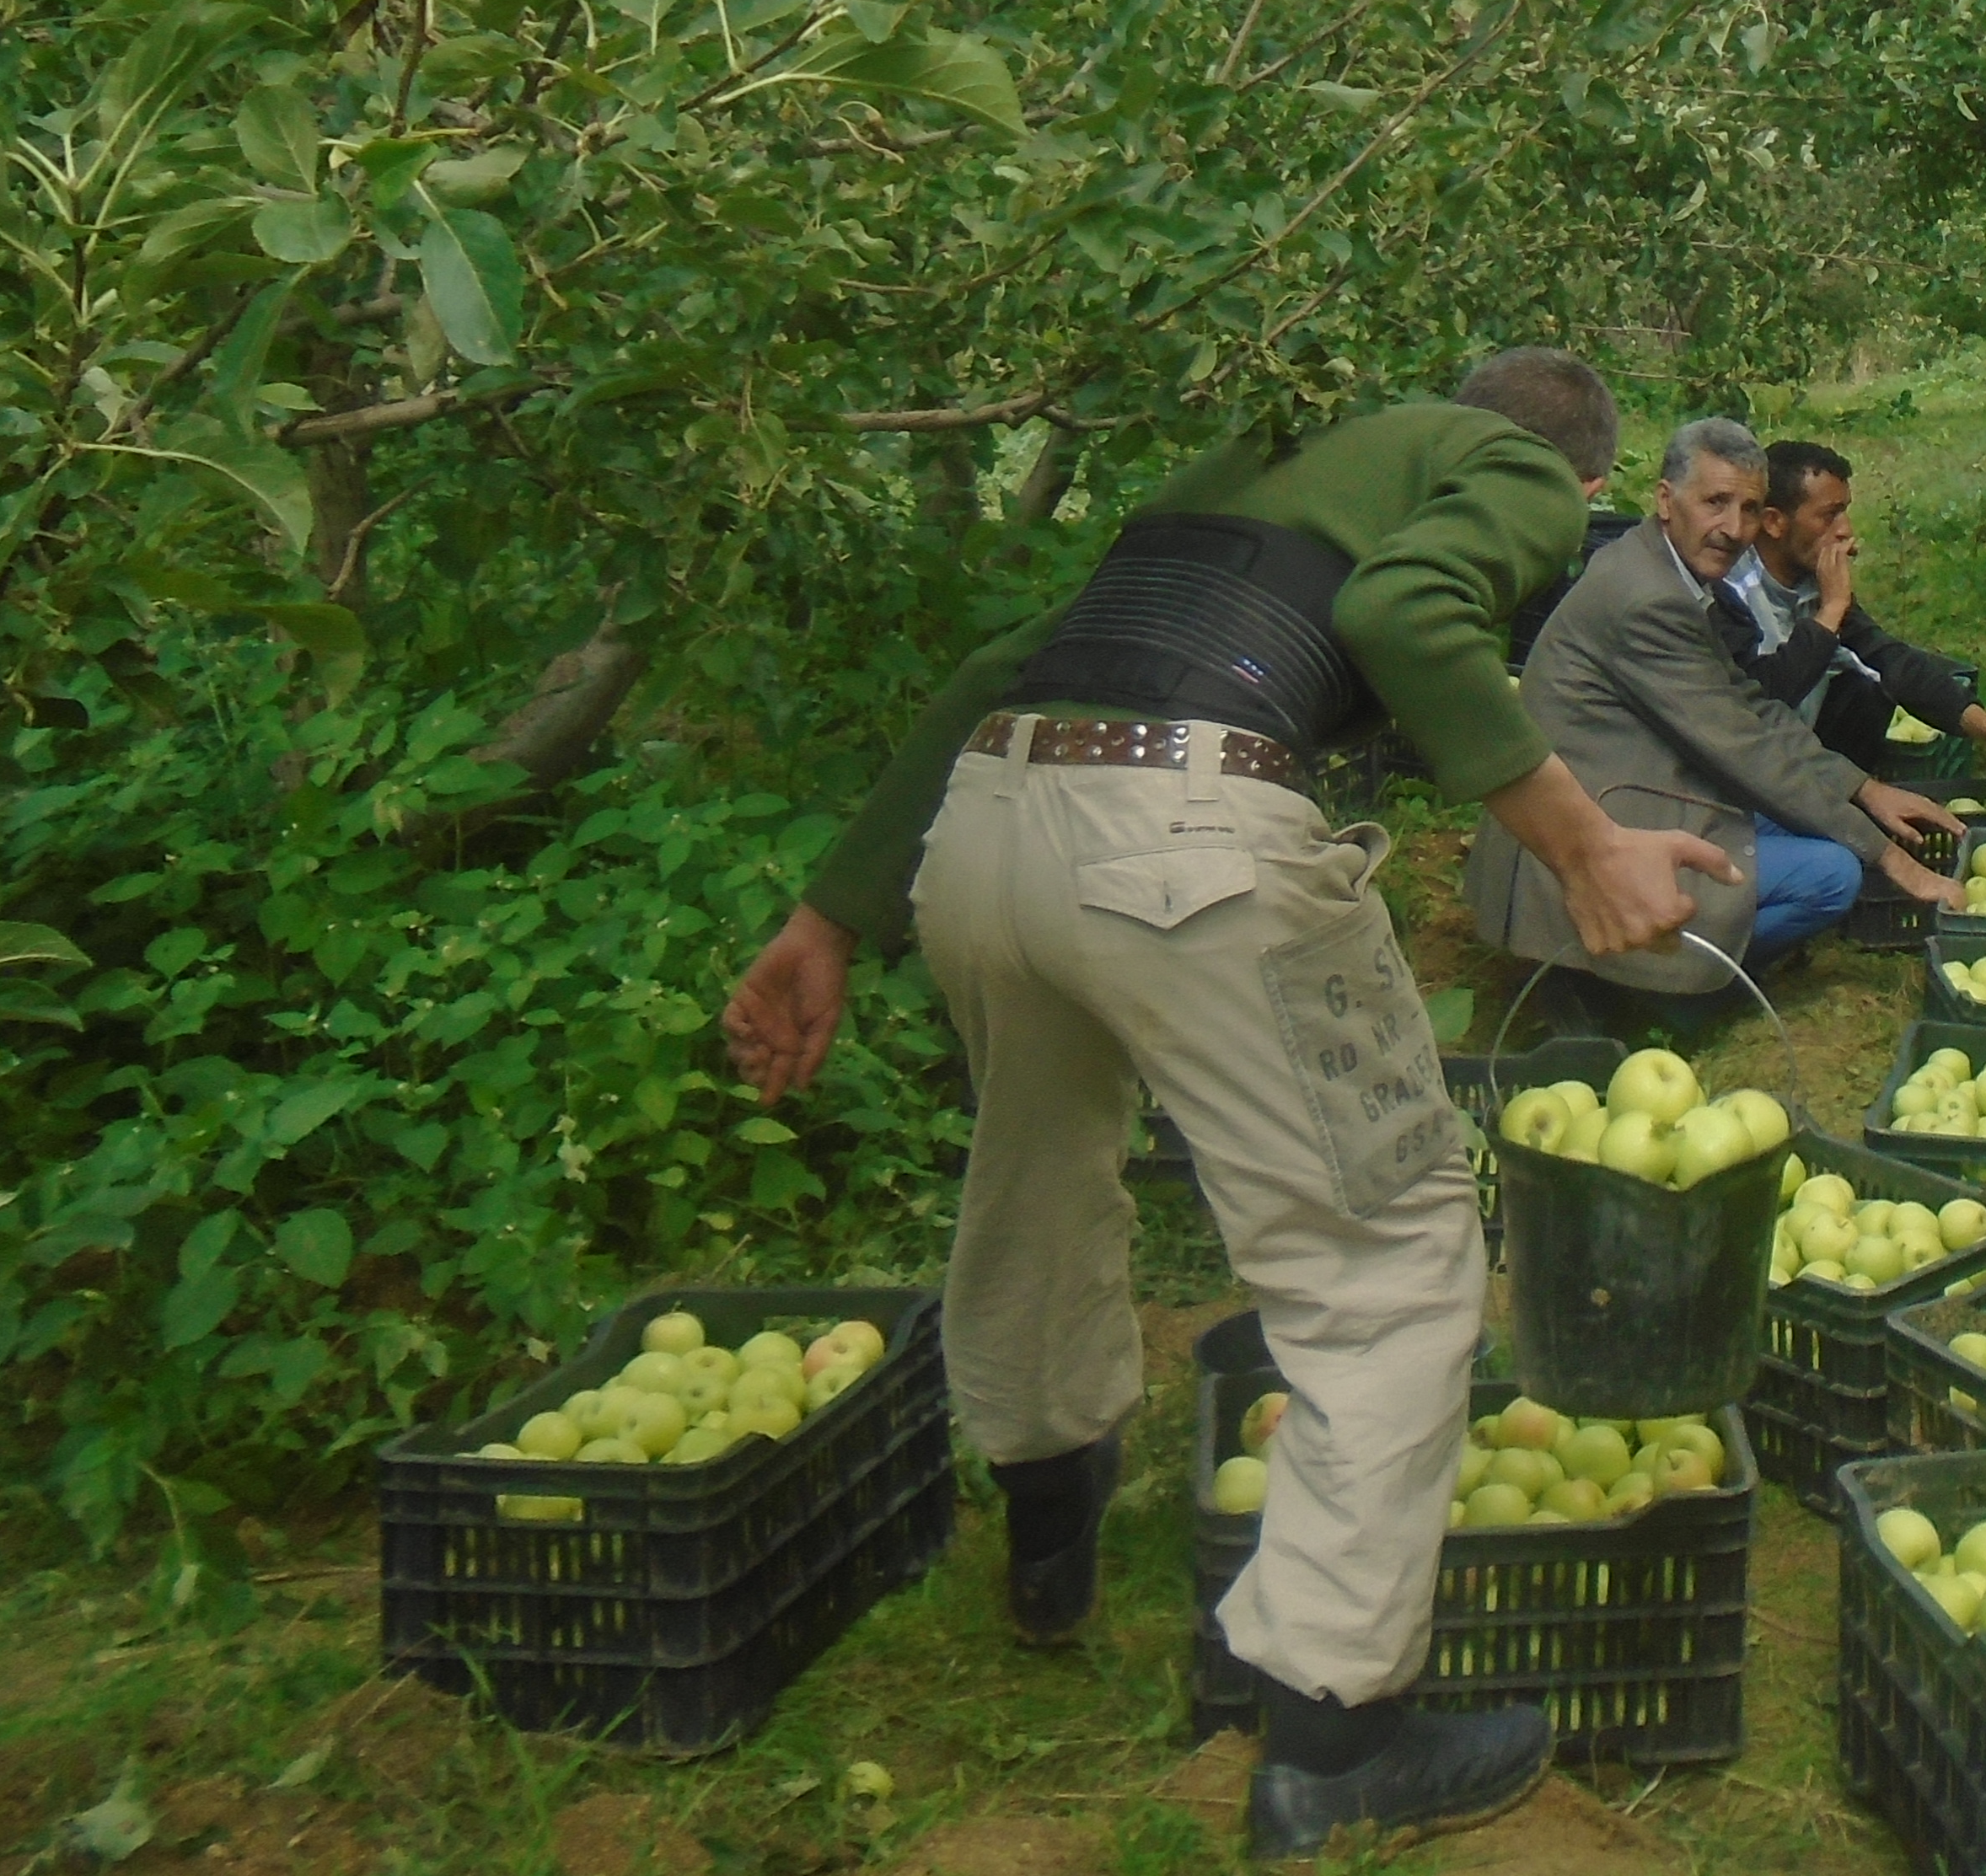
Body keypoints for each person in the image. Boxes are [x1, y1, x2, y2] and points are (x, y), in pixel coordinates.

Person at [717, 348, 1730, 1861]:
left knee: (1036, 1173)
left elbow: (1000, 663)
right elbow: (1403, 615)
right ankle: (1339, 1731)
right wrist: (1581, 840)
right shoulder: (1513, 466)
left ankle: (1050, 1531)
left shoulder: (1273, 450)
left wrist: (829, 916)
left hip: (994, 819)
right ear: (1588, 481)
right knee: (1385, 1262)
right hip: (1182, 824)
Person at [1479, 416, 1968, 973]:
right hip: (1593, 826)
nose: (1734, 528)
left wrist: (1864, 790)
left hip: (1635, 786)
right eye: (1715, 502)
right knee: (1834, 876)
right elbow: (1744, 747)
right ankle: (1650, 980)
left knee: (1808, 818)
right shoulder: (1648, 600)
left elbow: (1750, 705)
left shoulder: (1670, 570)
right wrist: (1891, 859)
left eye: (1749, 508)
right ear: (1666, 500)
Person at [1719, 437, 1986, 775]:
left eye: (1845, 512)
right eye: (1829, 516)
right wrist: (1832, 609)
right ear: (1773, 523)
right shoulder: (1728, 592)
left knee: (1865, 689)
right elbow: (1759, 700)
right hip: (1736, 771)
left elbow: (1888, 657)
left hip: (1789, 758)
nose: (1846, 531)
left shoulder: (1811, 580)